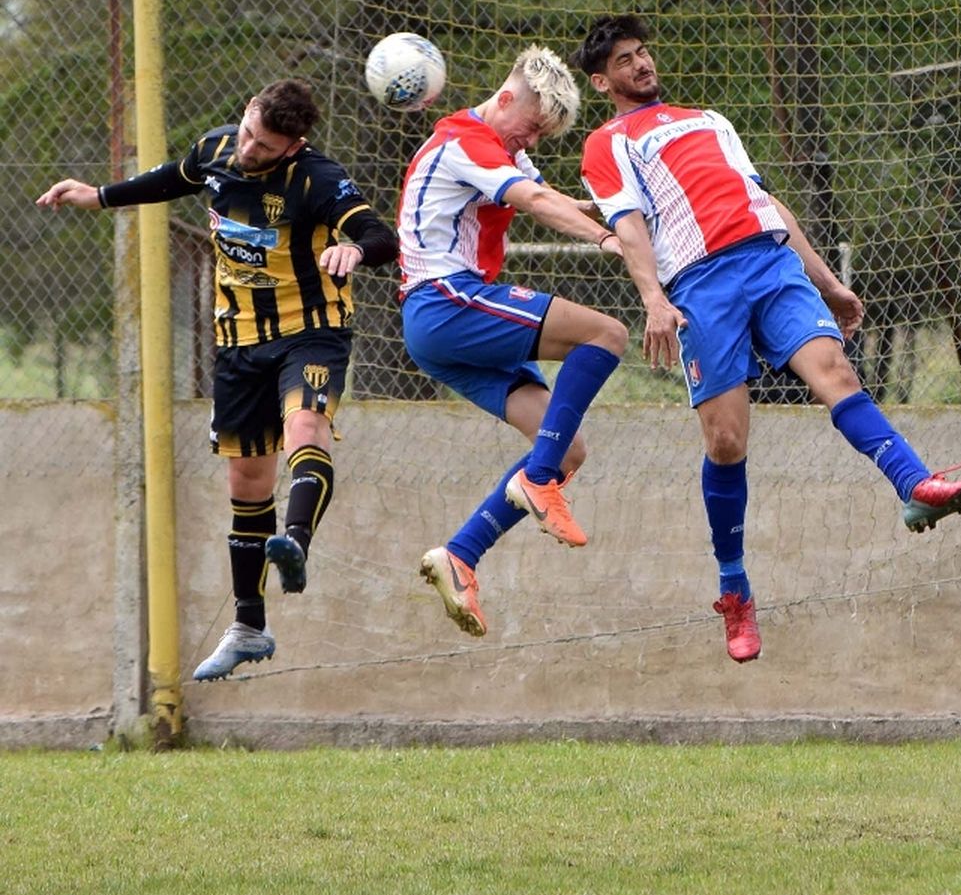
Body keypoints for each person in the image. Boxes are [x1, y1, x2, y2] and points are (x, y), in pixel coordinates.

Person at [573, 14, 961, 663]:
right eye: (624, 60)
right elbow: (627, 223)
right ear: (602, 81)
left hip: (770, 261)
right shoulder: (607, 142)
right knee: (727, 441)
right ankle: (734, 590)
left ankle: (913, 483)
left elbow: (769, 203)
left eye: (644, 51)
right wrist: (653, 298)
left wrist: (827, 281)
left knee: (836, 375)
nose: (641, 64)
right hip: (701, 285)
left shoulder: (709, 119)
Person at [37, 79, 399, 681]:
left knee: (306, 426)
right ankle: (249, 628)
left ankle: (297, 543)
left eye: (265, 145)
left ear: (293, 146)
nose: (249, 149)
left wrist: (355, 254)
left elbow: (377, 233)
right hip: (238, 344)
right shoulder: (217, 148)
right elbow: (169, 180)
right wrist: (97, 195)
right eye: (250, 131)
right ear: (247, 111)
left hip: (310, 331)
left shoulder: (317, 178)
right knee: (247, 479)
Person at [396, 46, 628, 638]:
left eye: (538, 140)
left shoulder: (502, 148)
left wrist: (632, 214)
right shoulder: (464, 138)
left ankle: (460, 554)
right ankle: (537, 481)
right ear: (505, 99)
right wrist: (611, 244)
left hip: (441, 329)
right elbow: (535, 200)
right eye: (528, 131)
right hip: (445, 300)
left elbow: (557, 201)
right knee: (605, 333)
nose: (529, 146)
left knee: (565, 447)